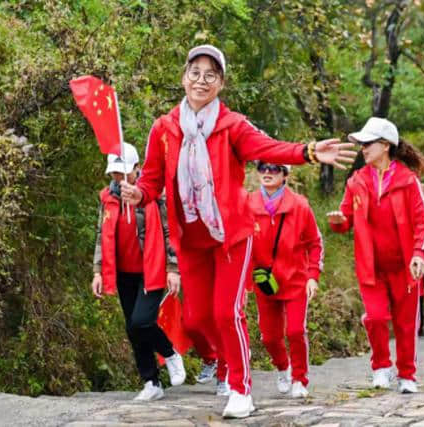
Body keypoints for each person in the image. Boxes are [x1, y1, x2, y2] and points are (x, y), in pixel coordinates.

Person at [120, 44, 356, 418]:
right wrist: (138, 193)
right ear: (184, 78)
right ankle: (225, 364)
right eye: (195, 72)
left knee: (227, 312)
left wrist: (309, 152)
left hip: (231, 235)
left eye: (210, 74)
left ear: (220, 83)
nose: (201, 80)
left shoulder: (232, 126)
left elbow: (269, 147)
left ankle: (241, 389)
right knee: (198, 319)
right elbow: (151, 179)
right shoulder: (164, 129)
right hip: (192, 238)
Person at [327, 117, 424, 394]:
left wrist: (419, 254)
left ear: (385, 145)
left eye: (368, 143)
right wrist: (339, 220)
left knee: (406, 322)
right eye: (361, 144)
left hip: (405, 266)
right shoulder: (356, 181)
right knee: (375, 318)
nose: (363, 148)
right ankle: (380, 366)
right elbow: (345, 218)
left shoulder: (408, 181)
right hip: (370, 266)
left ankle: (407, 375)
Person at [91, 143, 186, 401]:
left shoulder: (154, 195)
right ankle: (151, 382)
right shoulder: (107, 198)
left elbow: (170, 234)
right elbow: (101, 235)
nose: (119, 179)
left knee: (141, 321)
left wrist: (172, 269)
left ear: (137, 169)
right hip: (123, 272)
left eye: (124, 173)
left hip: (151, 268)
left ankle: (169, 353)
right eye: (115, 174)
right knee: (133, 329)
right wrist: (98, 271)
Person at [248, 162, 323, 398]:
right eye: (262, 168)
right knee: (269, 337)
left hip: (295, 279)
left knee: (295, 331)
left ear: (285, 174)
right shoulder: (248, 203)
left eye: (274, 169)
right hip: (265, 282)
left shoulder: (300, 205)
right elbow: (241, 242)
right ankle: (283, 367)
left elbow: (314, 243)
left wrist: (313, 276)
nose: (267, 173)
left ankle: (299, 379)